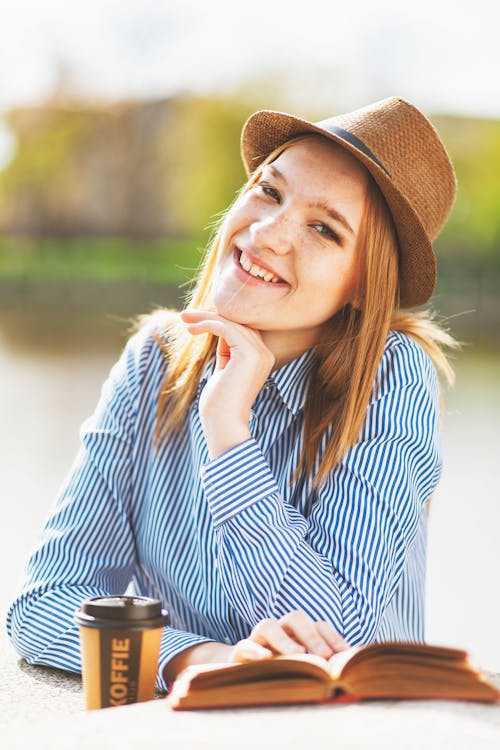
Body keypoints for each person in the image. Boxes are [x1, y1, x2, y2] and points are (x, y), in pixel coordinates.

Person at [6, 96, 459, 691]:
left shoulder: (392, 376)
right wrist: (199, 659)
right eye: (269, 192)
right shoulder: (155, 362)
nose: (268, 234)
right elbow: (45, 603)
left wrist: (228, 431)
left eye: (324, 229)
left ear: (365, 284)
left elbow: (336, 639)